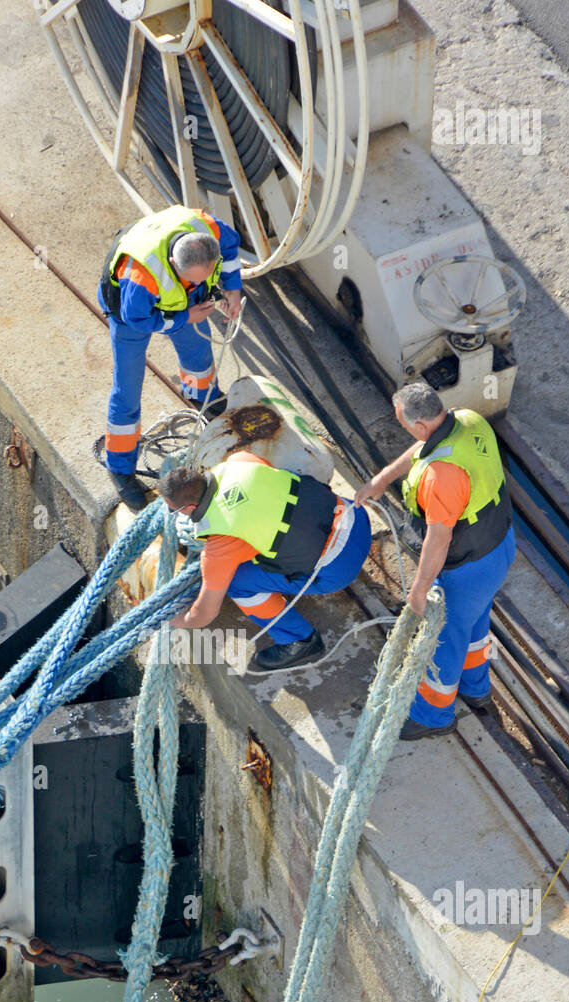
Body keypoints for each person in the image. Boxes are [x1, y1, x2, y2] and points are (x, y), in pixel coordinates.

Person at [355, 382, 515, 739]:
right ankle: (476, 689)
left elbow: (439, 539)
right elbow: (422, 448)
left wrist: (419, 588)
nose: (406, 431)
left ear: (420, 424)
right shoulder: (465, 418)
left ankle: (434, 716)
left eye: (405, 424)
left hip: (468, 567)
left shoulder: (442, 477)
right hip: (499, 544)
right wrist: (382, 480)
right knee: (473, 624)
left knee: (443, 638)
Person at [156, 449, 372, 673]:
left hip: (339, 569)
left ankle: (300, 642)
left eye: (176, 512)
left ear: (189, 509)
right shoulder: (239, 461)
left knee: (236, 582)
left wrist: (181, 619)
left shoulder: (220, 546)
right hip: (356, 518)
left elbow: (205, 613)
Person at [97, 205, 243, 511]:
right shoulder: (141, 277)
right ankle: (120, 468)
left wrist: (232, 289)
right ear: (174, 263)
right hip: (131, 318)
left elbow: (231, 248)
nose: (199, 283)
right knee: (127, 388)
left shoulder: (210, 230)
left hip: (183, 302)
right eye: (192, 279)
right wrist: (182, 318)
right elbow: (137, 319)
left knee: (198, 356)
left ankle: (204, 398)